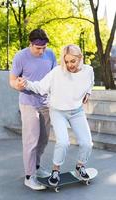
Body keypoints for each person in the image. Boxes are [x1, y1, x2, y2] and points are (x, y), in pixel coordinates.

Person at [24, 44, 94, 187]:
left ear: (80, 58)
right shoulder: (57, 72)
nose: (69, 65)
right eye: (66, 61)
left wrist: (88, 92)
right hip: (58, 111)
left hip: (77, 111)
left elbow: (90, 83)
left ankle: (80, 166)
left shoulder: (89, 71)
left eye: (72, 61)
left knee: (87, 143)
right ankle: (55, 170)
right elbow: (41, 87)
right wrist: (26, 83)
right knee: (63, 142)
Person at [9, 28, 57, 190]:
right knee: (31, 141)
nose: (41, 51)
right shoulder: (20, 56)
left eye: (43, 47)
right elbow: (12, 81)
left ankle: (36, 167)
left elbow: (55, 78)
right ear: (31, 44)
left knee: (43, 139)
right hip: (28, 103)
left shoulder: (50, 54)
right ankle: (29, 176)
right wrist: (18, 85)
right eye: (38, 48)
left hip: (46, 103)